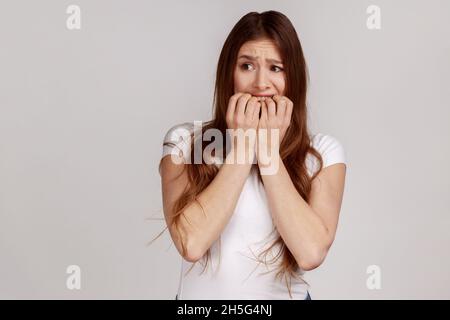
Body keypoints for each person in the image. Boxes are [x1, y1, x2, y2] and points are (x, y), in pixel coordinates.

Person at [158, 10, 346, 300]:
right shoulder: (186, 142)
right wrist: (244, 146)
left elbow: (311, 252)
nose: (261, 84)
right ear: (228, 74)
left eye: (276, 68)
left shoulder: (322, 152)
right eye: (247, 66)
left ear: (292, 77)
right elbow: (191, 243)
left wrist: (268, 151)